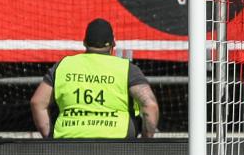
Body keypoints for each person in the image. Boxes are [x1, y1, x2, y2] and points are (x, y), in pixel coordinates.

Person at [30, 18, 159, 139]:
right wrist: (144, 142)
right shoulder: (127, 69)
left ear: (84, 42)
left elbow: (37, 102)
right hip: (118, 146)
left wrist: (50, 138)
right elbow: (150, 105)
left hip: (68, 143)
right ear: (113, 44)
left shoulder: (63, 65)